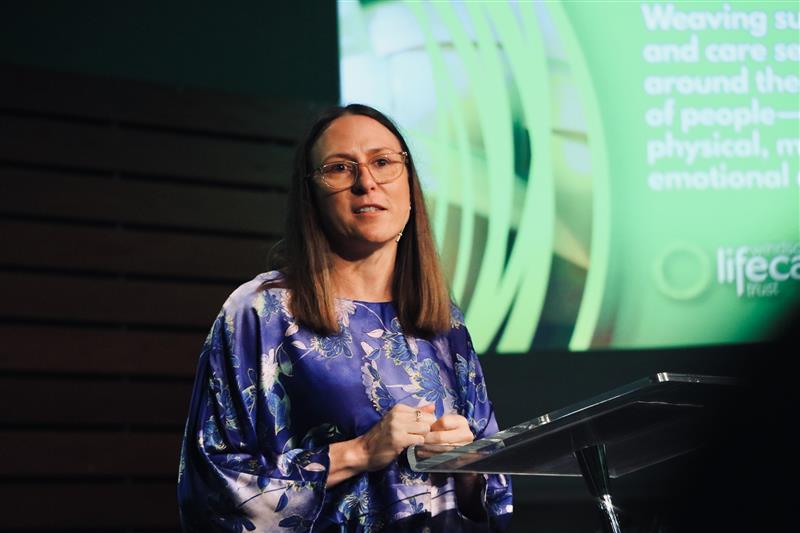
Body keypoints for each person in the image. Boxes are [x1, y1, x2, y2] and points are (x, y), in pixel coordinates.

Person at [177, 104, 513, 532]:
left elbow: (492, 496)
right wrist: (359, 452)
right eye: (339, 168)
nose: (366, 182)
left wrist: (466, 466)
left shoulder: (445, 321)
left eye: (383, 162)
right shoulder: (260, 313)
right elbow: (211, 484)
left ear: (410, 186)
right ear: (311, 196)